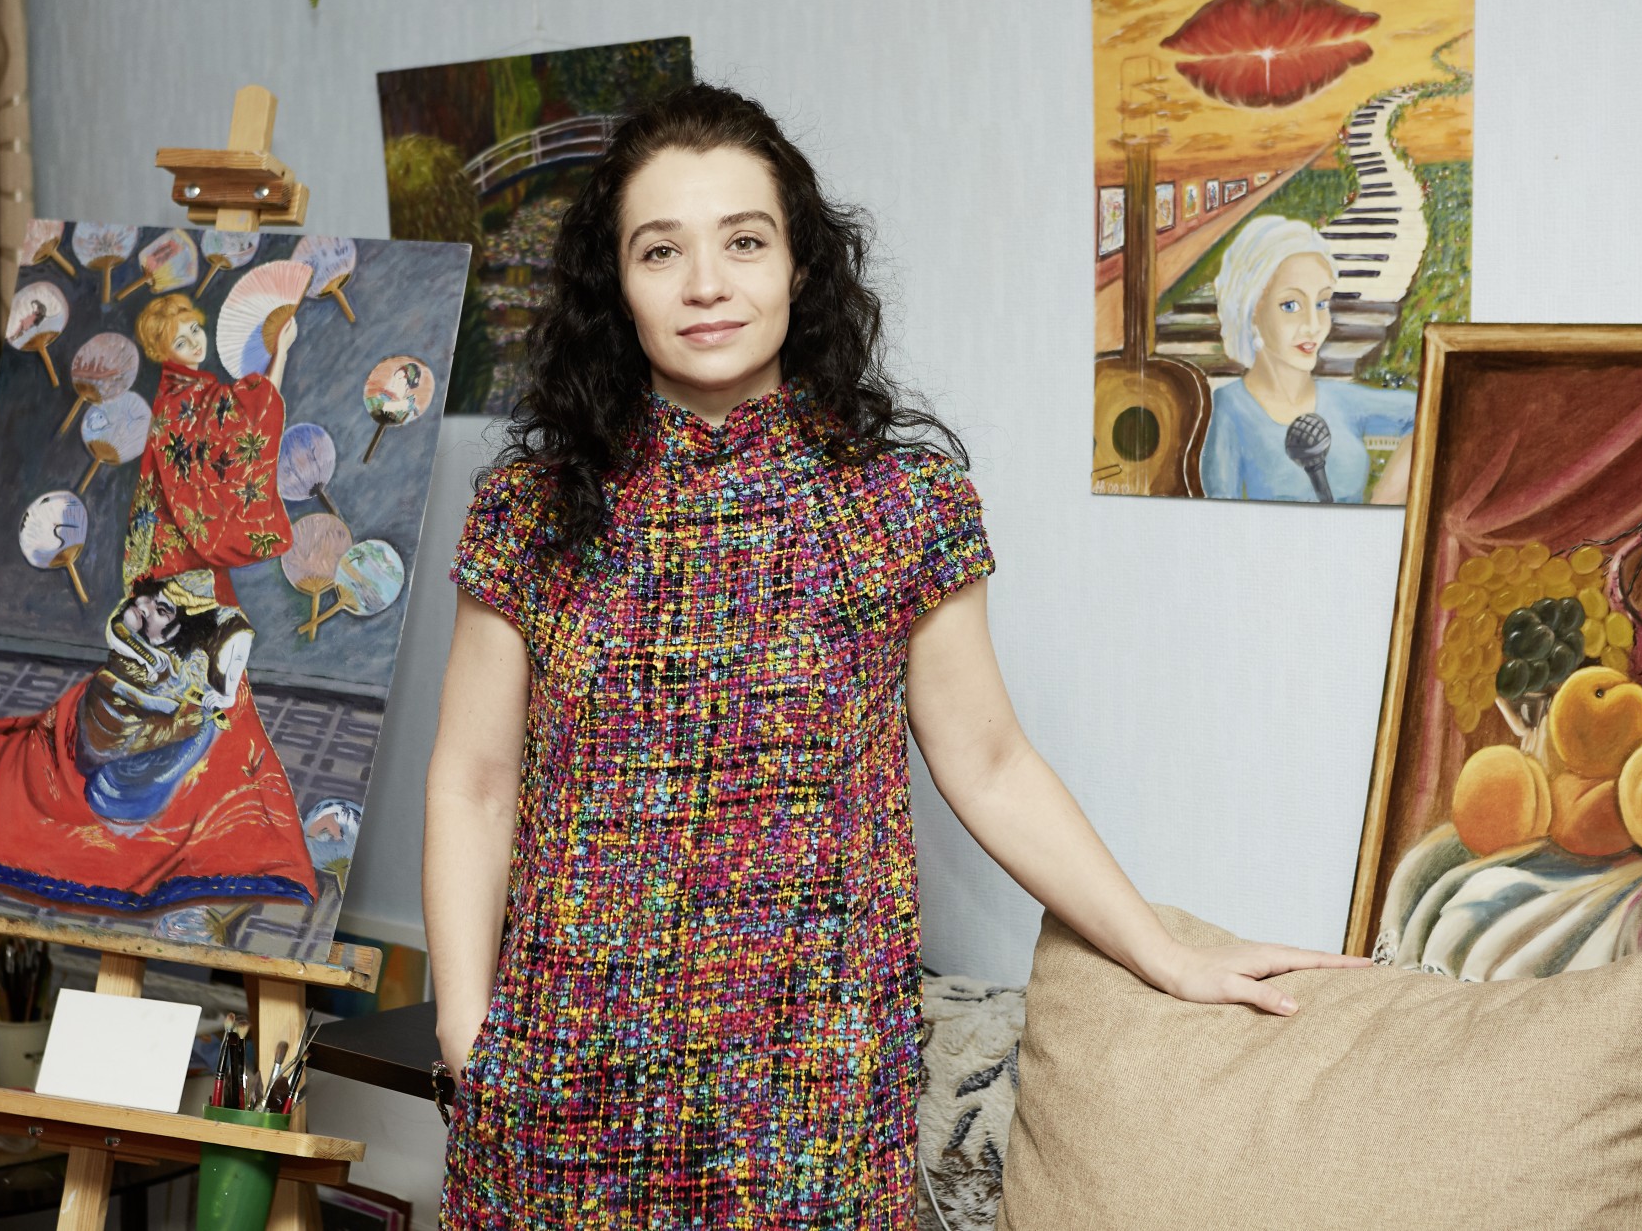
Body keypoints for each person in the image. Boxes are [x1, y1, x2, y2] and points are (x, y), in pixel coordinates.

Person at [421, 85, 1370, 1227]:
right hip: (559, 1091)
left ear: (800, 267)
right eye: (660, 250)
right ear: (615, 287)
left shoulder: (898, 502)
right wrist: (467, 1033)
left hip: (807, 1104)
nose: (706, 282)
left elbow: (991, 763)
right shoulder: (532, 509)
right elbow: (473, 783)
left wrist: (1163, 952)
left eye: (744, 241)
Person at [0, 293, 316, 914]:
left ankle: (228, 821)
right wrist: (279, 358)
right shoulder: (184, 400)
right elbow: (240, 439)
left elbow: (235, 434)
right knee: (191, 685)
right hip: (178, 574)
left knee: (209, 686)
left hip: (178, 566)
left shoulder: (191, 396)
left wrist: (274, 361)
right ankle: (202, 829)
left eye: (196, 331)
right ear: (162, 348)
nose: (195, 342)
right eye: (182, 336)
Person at [1198, 215, 1418, 504]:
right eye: (1291, 305)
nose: (1314, 325)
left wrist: (1383, 502)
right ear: (1251, 311)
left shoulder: (1342, 400)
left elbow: (1430, 410)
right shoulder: (1227, 409)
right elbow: (1219, 516)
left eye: (1322, 303)